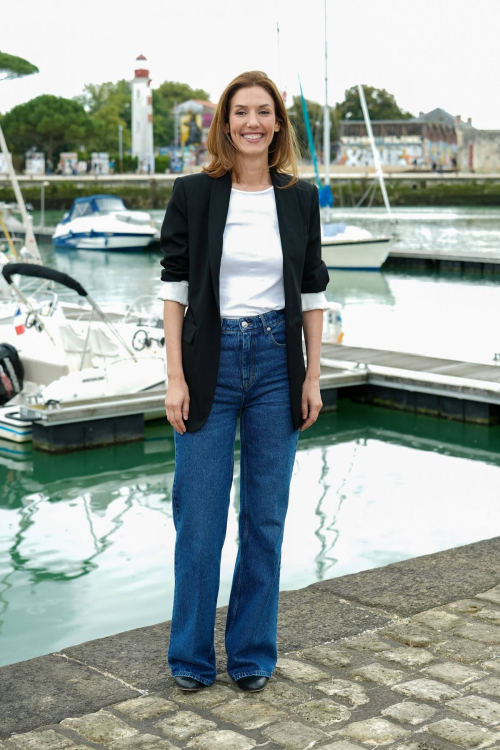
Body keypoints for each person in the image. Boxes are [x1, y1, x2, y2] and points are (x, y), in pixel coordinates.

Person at [158, 70, 330, 694]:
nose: (252, 122)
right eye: (240, 112)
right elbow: (175, 288)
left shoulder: (300, 198)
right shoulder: (193, 193)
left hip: (278, 362)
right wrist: (174, 376)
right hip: (211, 363)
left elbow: (312, 289)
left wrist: (313, 374)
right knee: (198, 520)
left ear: (278, 122)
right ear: (225, 124)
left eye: (263, 111)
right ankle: (191, 659)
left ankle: (253, 654)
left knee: (265, 518)